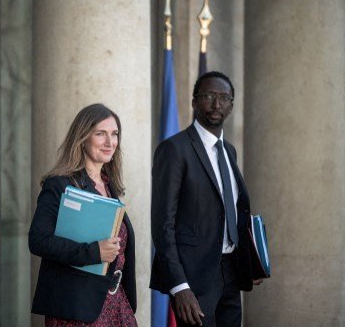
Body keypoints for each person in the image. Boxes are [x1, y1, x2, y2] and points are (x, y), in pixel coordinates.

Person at [150, 71, 261, 327]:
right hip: (194, 280)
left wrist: (249, 262)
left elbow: (232, 213)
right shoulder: (174, 149)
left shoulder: (229, 151)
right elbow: (163, 224)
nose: (216, 104)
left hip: (231, 272)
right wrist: (179, 287)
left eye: (224, 98)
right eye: (208, 96)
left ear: (231, 105)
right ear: (194, 102)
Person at [29, 103, 137, 326]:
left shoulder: (110, 187)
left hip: (117, 303)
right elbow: (38, 241)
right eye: (100, 134)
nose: (110, 142)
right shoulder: (59, 185)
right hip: (77, 308)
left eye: (114, 134)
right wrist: (93, 252)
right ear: (82, 137)